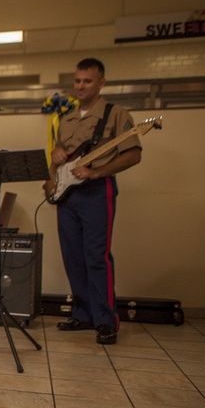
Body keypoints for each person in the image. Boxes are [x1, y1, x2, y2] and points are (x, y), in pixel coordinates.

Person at [50, 58, 141, 345]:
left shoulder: (116, 114)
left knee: (96, 256)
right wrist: (54, 164)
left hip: (96, 192)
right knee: (73, 257)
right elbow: (59, 159)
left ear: (101, 83)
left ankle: (105, 320)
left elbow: (134, 154)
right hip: (67, 196)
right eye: (77, 81)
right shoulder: (66, 119)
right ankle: (83, 314)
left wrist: (96, 171)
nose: (80, 86)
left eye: (87, 81)